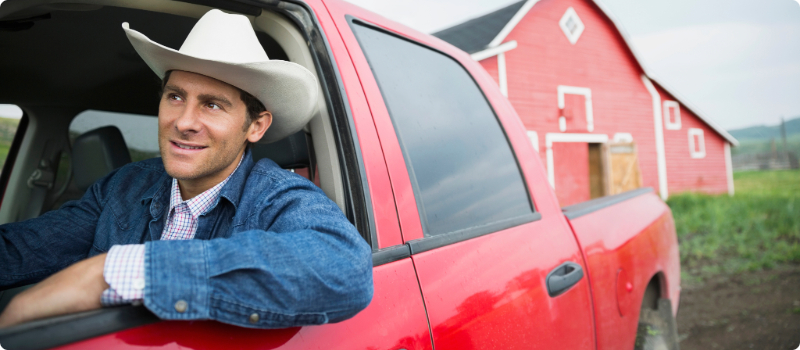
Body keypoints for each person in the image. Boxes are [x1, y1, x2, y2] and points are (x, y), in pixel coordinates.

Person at [0, 9, 373, 329]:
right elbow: (20, 250)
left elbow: (344, 268)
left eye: (212, 105)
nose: (184, 121)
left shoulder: (275, 197)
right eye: (175, 97)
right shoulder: (124, 186)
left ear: (256, 126)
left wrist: (114, 271)